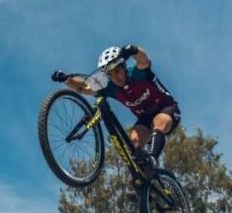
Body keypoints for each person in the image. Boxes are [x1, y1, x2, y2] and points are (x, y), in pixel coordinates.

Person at [55, 44, 180, 174]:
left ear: (124, 67)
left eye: (117, 71)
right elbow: (83, 87)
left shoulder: (137, 73)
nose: (115, 77)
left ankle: (152, 159)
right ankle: (145, 181)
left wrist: (133, 50)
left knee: (158, 122)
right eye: (110, 74)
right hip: (146, 118)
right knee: (134, 141)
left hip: (167, 108)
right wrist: (66, 79)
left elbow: (143, 59)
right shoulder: (110, 87)